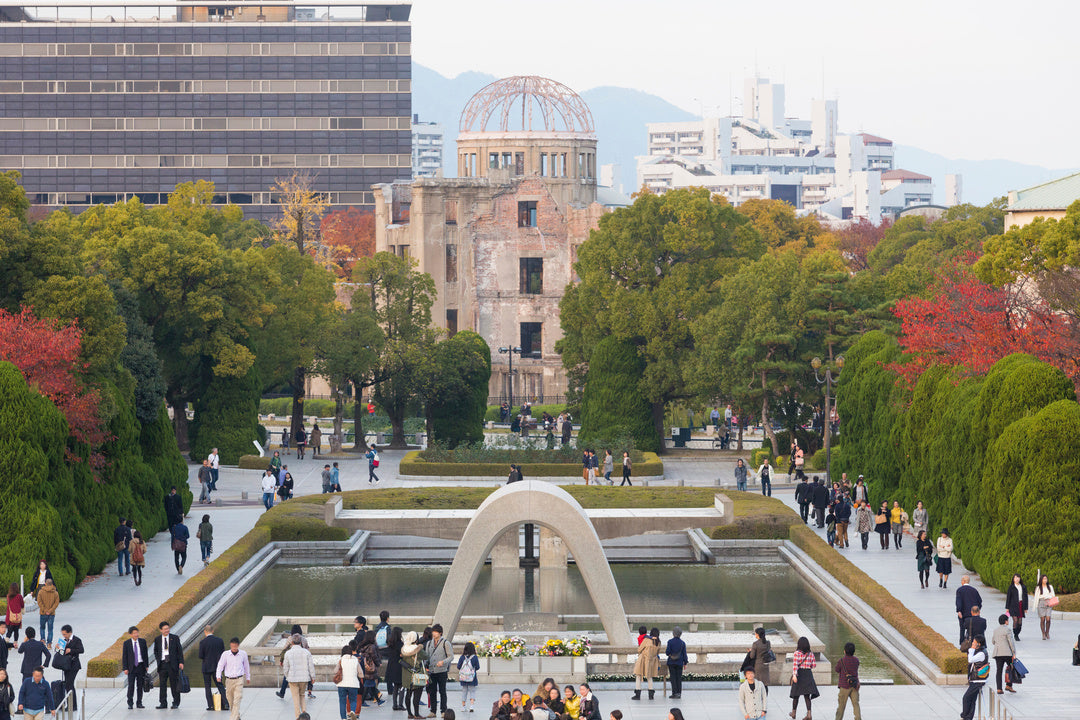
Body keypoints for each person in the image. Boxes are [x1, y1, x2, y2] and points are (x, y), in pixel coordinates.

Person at [283, 633, 315, 718]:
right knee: (302, 695)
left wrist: (287, 676)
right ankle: (304, 713)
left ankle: (298, 716)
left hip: (292, 678)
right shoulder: (306, 652)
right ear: (300, 642)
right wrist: (313, 677)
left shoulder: (288, 653)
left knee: (295, 698)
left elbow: (285, 667)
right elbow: (311, 666)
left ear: (292, 642)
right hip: (304, 678)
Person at [153, 621, 184, 709]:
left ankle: (175, 702)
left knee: (174, 684)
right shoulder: (157, 639)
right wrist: (158, 659)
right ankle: (163, 703)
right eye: (165, 629)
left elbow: (180, 651)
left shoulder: (175, 638)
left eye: (168, 628)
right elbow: (155, 651)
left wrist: (181, 662)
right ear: (161, 630)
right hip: (162, 664)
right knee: (162, 684)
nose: (167, 630)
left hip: (172, 664)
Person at [199, 625, 229, 713]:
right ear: (213, 630)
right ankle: (226, 704)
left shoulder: (203, 642)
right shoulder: (220, 641)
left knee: (207, 686)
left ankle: (211, 705)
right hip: (217, 667)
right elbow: (223, 654)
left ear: (205, 632)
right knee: (220, 686)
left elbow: (201, 656)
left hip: (206, 667)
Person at [425, 624, 453, 716]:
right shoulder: (429, 643)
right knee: (432, 692)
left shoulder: (446, 643)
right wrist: (426, 666)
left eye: (436, 632)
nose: (434, 633)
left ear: (440, 633)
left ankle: (443, 711)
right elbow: (427, 656)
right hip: (432, 671)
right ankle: (433, 711)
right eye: (433, 631)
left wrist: (443, 662)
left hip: (442, 671)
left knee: (442, 692)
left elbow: (451, 657)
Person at [789, 636, 818, 720]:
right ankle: (809, 714)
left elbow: (795, 666)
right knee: (807, 696)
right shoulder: (811, 654)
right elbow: (814, 665)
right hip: (808, 674)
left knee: (796, 695)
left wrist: (794, 675)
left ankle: (793, 713)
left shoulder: (797, 653)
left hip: (799, 674)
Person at [400, 631, 426, 720]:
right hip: (417, 674)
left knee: (408, 694)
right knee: (417, 696)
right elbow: (426, 656)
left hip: (406, 675)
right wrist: (421, 646)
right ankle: (417, 714)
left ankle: (409, 713)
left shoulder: (404, 648)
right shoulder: (418, 649)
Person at [961, 635, 988, 720]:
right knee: (972, 700)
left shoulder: (981, 653)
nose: (972, 644)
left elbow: (970, 660)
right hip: (975, 679)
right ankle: (968, 717)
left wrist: (971, 650)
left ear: (979, 644)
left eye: (974, 642)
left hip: (978, 680)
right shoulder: (980, 651)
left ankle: (965, 716)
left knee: (966, 698)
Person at [55, 625, 82, 710]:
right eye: (63, 634)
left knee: (69, 684)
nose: (64, 636)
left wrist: (71, 650)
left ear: (70, 632)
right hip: (66, 665)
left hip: (74, 665)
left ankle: (73, 705)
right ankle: (71, 704)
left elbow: (81, 650)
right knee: (68, 684)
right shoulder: (63, 641)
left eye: (65, 634)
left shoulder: (77, 640)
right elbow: (60, 653)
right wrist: (57, 648)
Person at [121, 626, 149, 709]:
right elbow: (124, 656)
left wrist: (146, 665)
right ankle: (130, 703)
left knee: (140, 686)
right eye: (134, 633)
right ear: (130, 634)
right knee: (131, 685)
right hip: (131, 667)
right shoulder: (127, 643)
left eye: (137, 633)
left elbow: (145, 655)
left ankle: (139, 702)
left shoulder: (143, 641)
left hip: (141, 666)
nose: (136, 634)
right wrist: (125, 668)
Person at [334, 643, 362, 720]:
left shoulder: (341, 660)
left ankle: (343, 718)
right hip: (353, 684)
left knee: (342, 702)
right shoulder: (355, 660)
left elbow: (335, 671)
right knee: (353, 700)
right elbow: (361, 674)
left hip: (342, 684)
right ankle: (352, 712)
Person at [833, 642, 860, 720]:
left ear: (844, 651)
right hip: (854, 686)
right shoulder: (856, 660)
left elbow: (837, 670)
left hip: (844, 686)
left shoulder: (841, 661)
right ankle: (858, 718)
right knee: (856, 705)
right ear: (853, 651)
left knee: (841, 706)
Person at [990, 614, 1016, 695]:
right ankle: (1009, 685)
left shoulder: (995, 630)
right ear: (1005, 621)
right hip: (1007, 653)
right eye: (1008, 620)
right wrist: (1014, 653)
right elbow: (1011, 642)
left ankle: (999, 689)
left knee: (999, 670)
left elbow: (993, 641)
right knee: (1011, 668)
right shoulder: (1008, 630)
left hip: (998, 653)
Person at [631, 627, 659, 700]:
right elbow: (657, 652)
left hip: (643, 660)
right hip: (652, 661)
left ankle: (637, 694)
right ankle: (651, 694)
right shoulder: (658, 642)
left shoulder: (647, 640)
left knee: (638, 676)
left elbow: (639, 649)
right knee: (649, 677)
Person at [956, 576, 983, 645]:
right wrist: (977, 610)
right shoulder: (974, 590)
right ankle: (973, 642)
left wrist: (959, 610)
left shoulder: (959, 590)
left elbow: (958, 601)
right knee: (972, 629)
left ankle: (962, 643)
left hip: (963, 614)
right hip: (973, 614)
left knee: (962, 629)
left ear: (963, 581)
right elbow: (979, 601)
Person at [664, 627, 688, 699]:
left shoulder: (670, 642)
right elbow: (684, 654)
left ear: (673, 633)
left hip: (671, 662)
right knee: (679, 678)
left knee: (673, 678)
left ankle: (674, 693)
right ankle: (679, 693)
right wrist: (685, 663)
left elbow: (667, 652)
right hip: (680, 662)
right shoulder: (682, 643)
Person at [456, 641, 479, 712]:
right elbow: (477, 667)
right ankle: (471, 706)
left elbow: (458, 666)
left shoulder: (462, 657)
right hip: (472, 678)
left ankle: (463, 706)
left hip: (463, 677)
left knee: (464, 691)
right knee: (472, 691)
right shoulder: (475, 657)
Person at [1005, 574, 1029, 641]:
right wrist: (1007, 608)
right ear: (1013, 579)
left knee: (1020, 622)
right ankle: (1015, 635)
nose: (1017, 579)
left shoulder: (1023, 587)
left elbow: (1026, 597)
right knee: (1015, 620)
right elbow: (1008, 598)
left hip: (1021, 605)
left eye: (1018, 577)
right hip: (1013, 606)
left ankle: (1017, 633)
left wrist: (1026, 608)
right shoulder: (1011, 587)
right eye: (1015, 578)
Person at [35, 580, 58, 650]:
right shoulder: (55, 592)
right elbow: (56, 603)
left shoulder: (41, 592)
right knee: (50, 629)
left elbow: (39, 601)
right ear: (52, 584)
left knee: (42, 628)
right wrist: (50, 610)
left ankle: (43, 641)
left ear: (45, 583)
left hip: (43, 613)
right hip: (51, 614)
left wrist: (44, 610)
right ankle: (49, 644)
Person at [385, 627, 404, 711]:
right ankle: (400, 704)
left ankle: (394, 705)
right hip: (399, 666)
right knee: (402, 687)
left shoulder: (390, 643)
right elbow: (402, 654)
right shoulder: (400, 644)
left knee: (395, 687)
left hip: (391, 666)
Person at [1034, 574, 1056, 640]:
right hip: (1041, 603)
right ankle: (1043, 633)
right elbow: (1036, 597)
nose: (1045, 580)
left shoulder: (1050, 586)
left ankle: (1047, 632)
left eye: (1046, 579)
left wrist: (1049, 600)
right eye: (1044, 579)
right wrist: (1036, 606)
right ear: (1041, 580)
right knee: (1042, 619)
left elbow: (1053, 595)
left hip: (1048, 603)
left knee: (1048, 619)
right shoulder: (1038, 587)